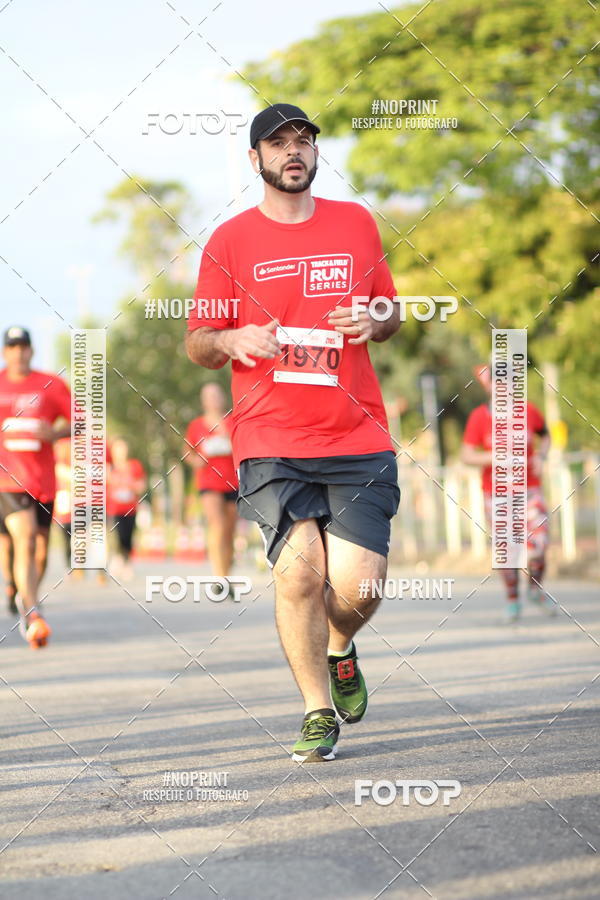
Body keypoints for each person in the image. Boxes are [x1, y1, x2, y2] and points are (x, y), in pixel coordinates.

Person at [185, 103, 401, 762]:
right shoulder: (229, 241)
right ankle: (315, 710)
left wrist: (377, 317)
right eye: (278, 143)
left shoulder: (356, 223)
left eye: (304, 140)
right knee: (300, 575)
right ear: (256, 159)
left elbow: (391, 309)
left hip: (356, 431)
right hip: (270, 435)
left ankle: (341, 647)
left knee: (358, 586)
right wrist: (231, 337)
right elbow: (197, 342)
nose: (293, 151)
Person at [461, 363, 555, 623]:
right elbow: (466, 455)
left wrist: (542, 456)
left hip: (529, 489)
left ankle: (535, 588)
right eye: (497, 383)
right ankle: (513, 600)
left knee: (539, 542)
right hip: (498, 494)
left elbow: (545, 436)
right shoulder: (480, 417)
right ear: (488, 386)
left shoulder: (528, 411)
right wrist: (493, 457)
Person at [0, 326, 71, 648]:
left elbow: (81, 421)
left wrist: (53, 434)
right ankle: (31, 613)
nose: (18, 352)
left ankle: (23, 591)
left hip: (43, 482)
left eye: (23, 346)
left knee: (40, 551)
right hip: (7, 480)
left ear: (31, 350)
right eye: (12, 347)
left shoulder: (52, 385)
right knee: (24, 539)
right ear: (5, 352)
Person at [184, 382, 238, 578]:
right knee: (217, 525)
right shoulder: (196, 425)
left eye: (216, 395)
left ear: (223, 397)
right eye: (209, 396)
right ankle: (218, 575)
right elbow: (188, 452)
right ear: (203, 401)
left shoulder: (233, 422)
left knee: (229, 531)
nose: (213, 399)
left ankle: (227, 572)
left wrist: (229, 439)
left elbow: (245, 444)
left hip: (233, 481)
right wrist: (195, 460)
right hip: (209, 482)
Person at [106, 437, 146, 580]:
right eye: (118, 449)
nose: (121, 452)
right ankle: (117, 559)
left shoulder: (134, 466)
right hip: (114, 508)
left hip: (130, 507)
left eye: (123, 448)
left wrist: (132, 486)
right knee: (117, 535)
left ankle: (127, 562)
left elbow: (142, 485)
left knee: (128, 536)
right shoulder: (109, 468)